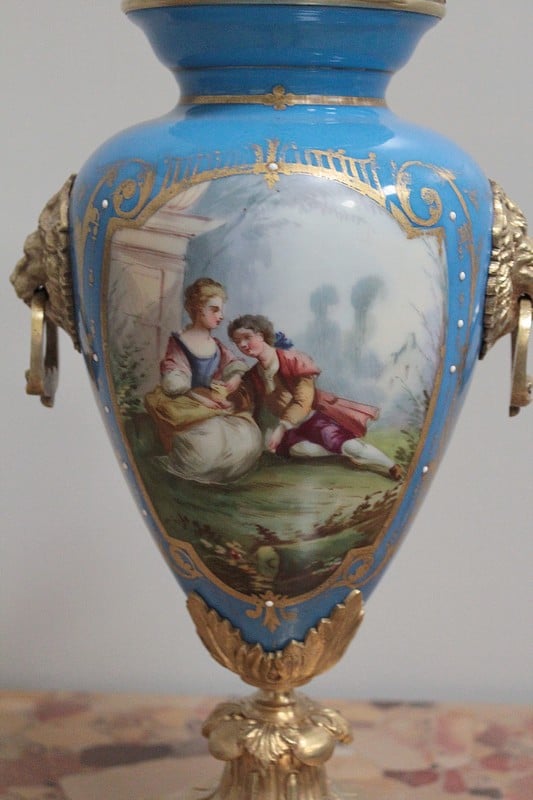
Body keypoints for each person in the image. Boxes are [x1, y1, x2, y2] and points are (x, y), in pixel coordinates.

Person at [228, 314, 403, 480]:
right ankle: (340, 453)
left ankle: (391, 466)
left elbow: (304, 399)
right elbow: (243, 398)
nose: (243, 345)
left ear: (260, 335)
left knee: (349, 446)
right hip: (290, 430)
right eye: (237, 342)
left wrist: (281, 428)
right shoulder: (254, 374)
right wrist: (235, 377)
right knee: (300, 450)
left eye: (247, 337)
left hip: (312, 419)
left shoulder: (294, 360)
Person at [145, 279, 262, 483]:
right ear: (199, 309)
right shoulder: (180, 342)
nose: (221, 316)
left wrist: (235, 376)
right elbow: (174, 382)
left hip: (211, 400)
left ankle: (224, 471)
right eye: (215, 310)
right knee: (210, 440)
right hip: (185, 402)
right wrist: (201, 398)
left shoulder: (215, 344)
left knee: (248, 436)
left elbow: (233, 363)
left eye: (221, 310)